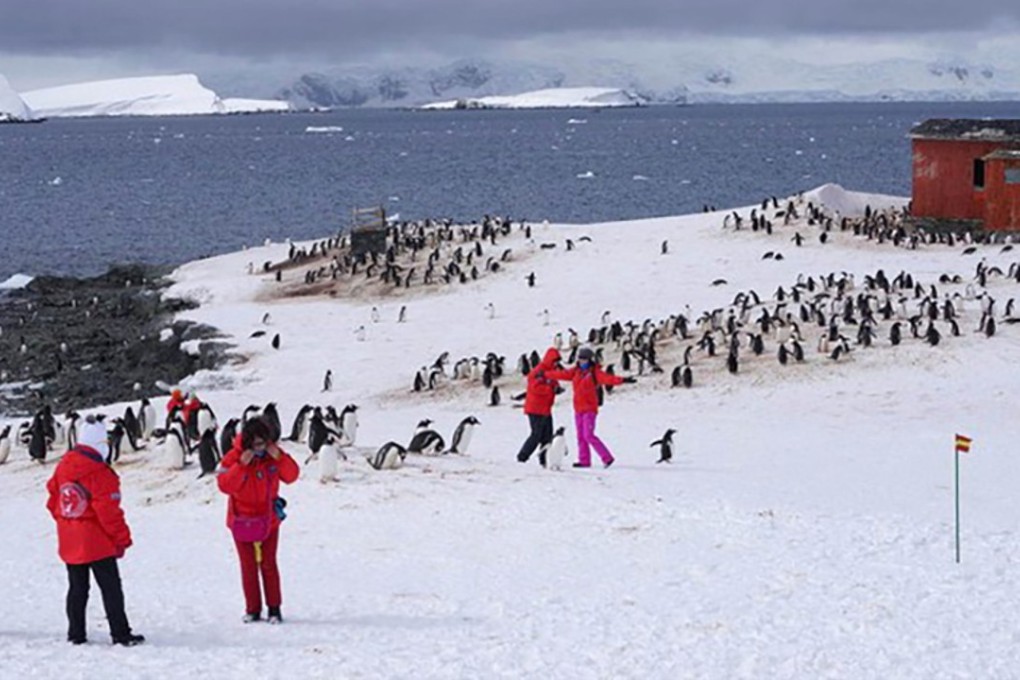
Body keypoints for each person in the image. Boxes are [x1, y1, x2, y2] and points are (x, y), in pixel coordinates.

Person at [45, 417, 144, 646]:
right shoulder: (99, 472)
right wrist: (122, 539)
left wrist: (66, 522)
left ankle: (76, 633)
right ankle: (120, 633)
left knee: (77, 587)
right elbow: (108, 512)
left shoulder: (64, 465)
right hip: (97, 541)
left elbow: (52, 499)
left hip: (70, 539)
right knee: (110, 587)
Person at [217, 417, 299, 624]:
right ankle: (253, 609)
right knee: (248, 566)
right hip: (242, 520)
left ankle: (274, 609)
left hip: (268, 519)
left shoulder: (273, 455)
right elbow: (225, 485)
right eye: (256, 444)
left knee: (269, 563)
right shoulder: (234, 457)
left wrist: (280, 457)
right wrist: (241, 466)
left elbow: (291, 476)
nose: (260, 448)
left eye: (263, 443)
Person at [545, 347, 635, 468]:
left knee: (588, 435)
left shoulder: (594, 372)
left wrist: (623, 380)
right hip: (578, 408)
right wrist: (546, 374)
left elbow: (608, 378)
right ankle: (584, 461)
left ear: (590, 360)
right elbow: (562, 374)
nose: (582, 361)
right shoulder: (575, 371)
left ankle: (607, 458)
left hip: (590, 408)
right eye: (580, 359)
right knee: (581, 436)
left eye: (584, 359)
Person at [517, 347, 563, 466]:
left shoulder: (551, 371)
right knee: (536, 434)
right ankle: (522, 456)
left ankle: (544, 459)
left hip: (545, 408)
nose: (557, 364)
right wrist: (551, 389)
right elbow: (535, 387)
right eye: (555, 361)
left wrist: (557, 388)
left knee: (547, 436)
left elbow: (553, 383)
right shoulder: (538, 371)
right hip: (535, 408)